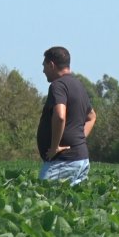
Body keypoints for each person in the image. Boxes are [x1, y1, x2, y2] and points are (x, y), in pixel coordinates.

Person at [37, 46, 97, 185]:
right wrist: (79, 140)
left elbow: (60, 116)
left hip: (63, 161)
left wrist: (55, 147)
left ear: (51, 65)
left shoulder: (58, 85)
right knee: (69, 205)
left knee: (42, 199)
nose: (43, 70)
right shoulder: (78, 85)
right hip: (80, 159)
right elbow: (92, 116)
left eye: (44, 66)